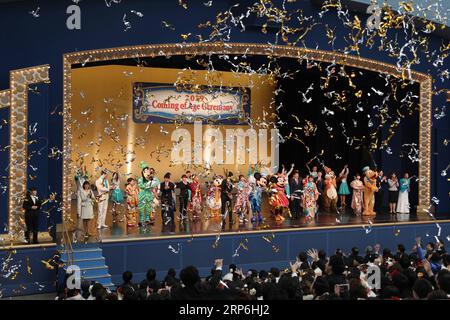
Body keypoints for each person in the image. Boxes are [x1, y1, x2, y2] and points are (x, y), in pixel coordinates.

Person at [137, 162, 159, 226]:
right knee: (141, 208)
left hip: (149, 195)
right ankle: (141, 219)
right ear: (143, 172)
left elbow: (157, 183)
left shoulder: (152, 179)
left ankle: (147, 219)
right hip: (142, 195)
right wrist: (149, 184)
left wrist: (152, 180)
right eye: (145, 171)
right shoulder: (140, 179)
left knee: (148, 207)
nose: (147, 172)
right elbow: (141, 186)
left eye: (148, 171)